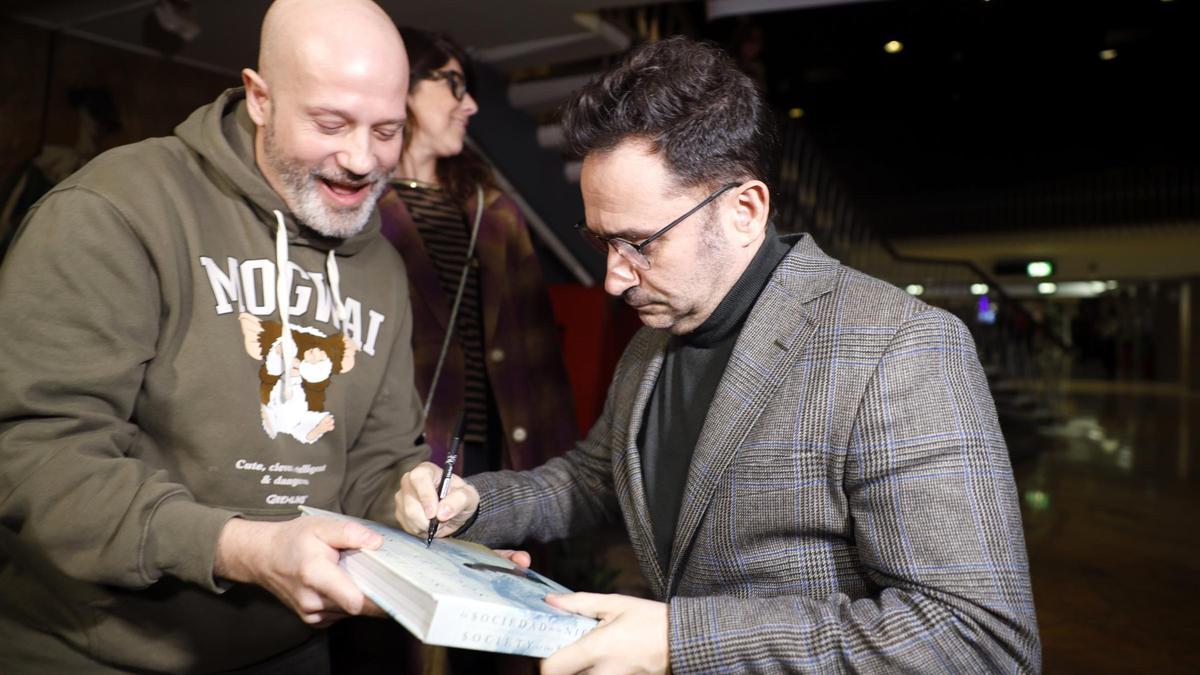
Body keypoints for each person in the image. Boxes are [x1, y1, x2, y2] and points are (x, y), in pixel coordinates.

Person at [395, 36, 1041, 674]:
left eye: (640, 243)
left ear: (744, 210)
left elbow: (979, 640)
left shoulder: (900, 348)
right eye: (602, 243)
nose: (615, 279)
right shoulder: (655, 340)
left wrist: (682, 640)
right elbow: (593, 477)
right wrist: (474, 503)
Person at [0, 1, 428, 672]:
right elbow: (36, 454)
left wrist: (415, 494)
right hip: (92, 651)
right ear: (260, 98)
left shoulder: (382, 266)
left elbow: (377, 460)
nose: (360, 159)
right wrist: (239, 547)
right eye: (330, 123)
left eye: (387, 130)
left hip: (293, 650)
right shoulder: (115, 210)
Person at [378, 27, 578, 480]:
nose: (469, 105)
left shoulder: (496, 212)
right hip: (395, 454)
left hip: (494, 452)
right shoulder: (355, 205)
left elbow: (538, 350)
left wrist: (559, 474)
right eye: (453, 84)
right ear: (400, 82)